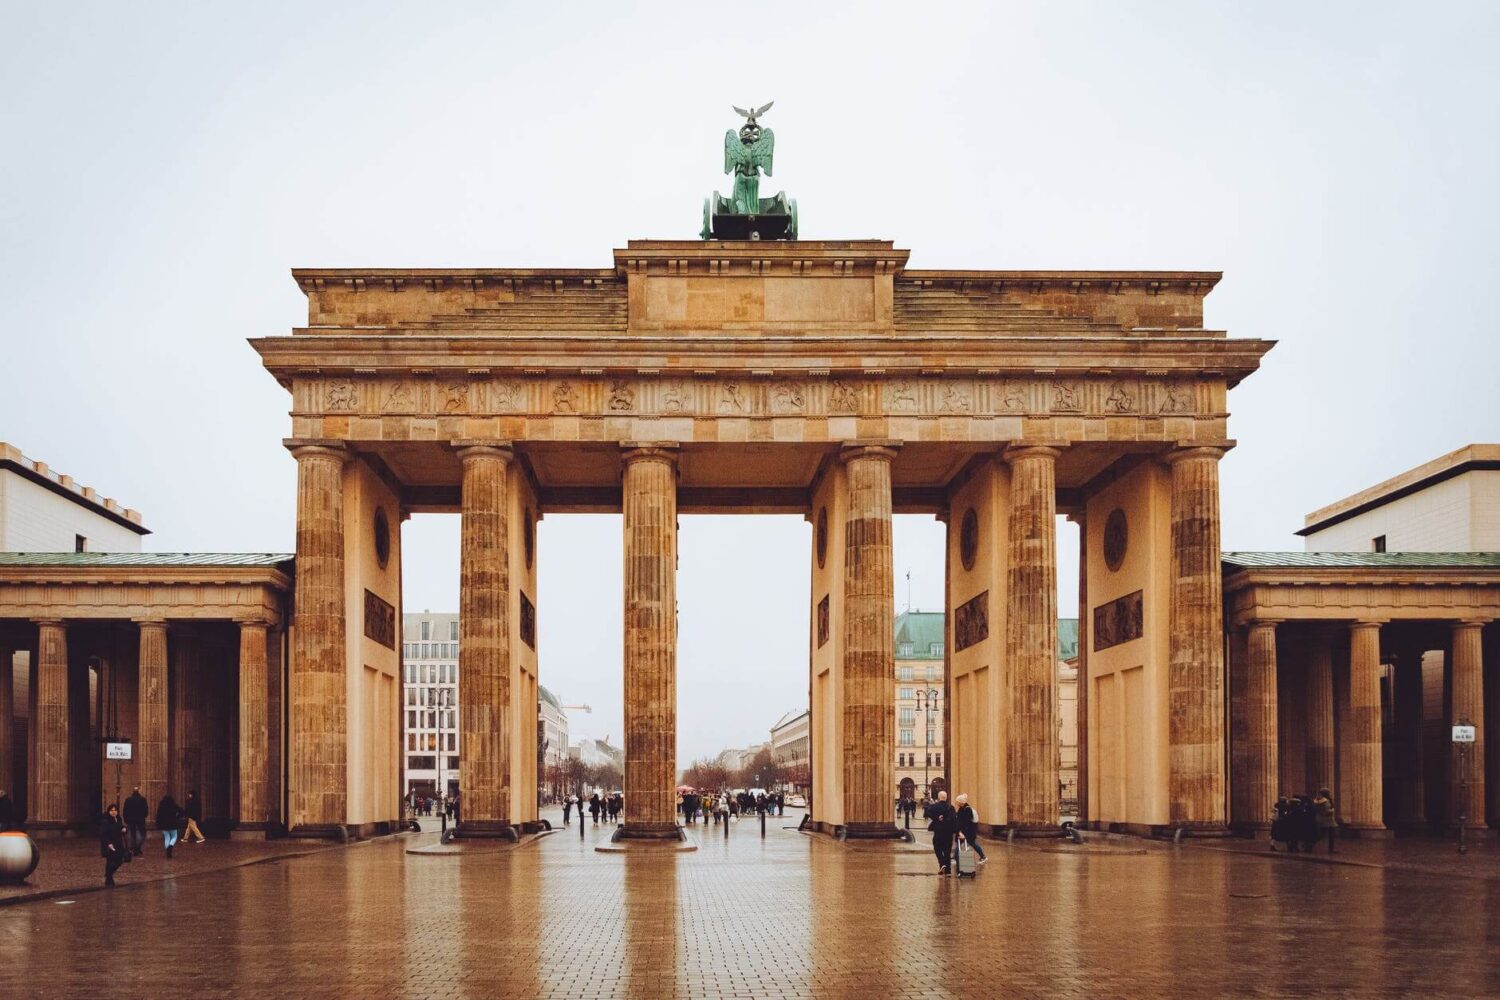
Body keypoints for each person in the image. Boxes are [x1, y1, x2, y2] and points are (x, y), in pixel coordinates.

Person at [924, 790, 956, 875]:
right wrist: (957, 831)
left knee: (937, 847)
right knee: (947, 851)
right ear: (946, 798)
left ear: (939, 797)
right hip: (948, 832)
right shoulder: (951, 807)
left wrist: (937, 817)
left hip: (938, 831)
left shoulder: (934, 806)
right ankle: (948, 871)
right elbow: (954, 820)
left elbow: (927, 812)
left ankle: (942, 863)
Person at [953, 793, 987, 864]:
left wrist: (961, 832)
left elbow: (966, 822)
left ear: (961, 802)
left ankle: (983, 857)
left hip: (968, 832)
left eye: (957, 801)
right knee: (961, 843)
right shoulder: (962, 808)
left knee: (971, 843)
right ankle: (955, 858)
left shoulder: (967, 809)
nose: (956, 802)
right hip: (965, 831)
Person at [100, 803, 127, 887]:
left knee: (119, 860)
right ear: (109, 811)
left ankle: (108, 875)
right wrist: (109, 844)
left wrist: (124, 829)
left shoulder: (118, 819)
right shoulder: (106, 821)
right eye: (111, 810)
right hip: (110, 844)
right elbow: (103, 834)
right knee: (110, 861)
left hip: (118, 843)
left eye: (115, 810)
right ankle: (109, 880)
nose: (113, 812)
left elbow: (121, 827)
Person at [123, 785, 149, 856]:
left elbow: (125, 810)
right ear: (138, 792)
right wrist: (144, 816)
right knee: (142, 834)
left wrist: (126, 819)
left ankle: (134, 848)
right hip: (140, 820)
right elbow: (145, 810)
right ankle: (137, 848)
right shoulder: (143, 799)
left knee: (132, 835)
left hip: (130, 820)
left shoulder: (128, 800)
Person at [1313, 787, 1338, 854]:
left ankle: (1310, 844)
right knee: (1331, 834)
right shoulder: (1326, 801)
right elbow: (1327, 811)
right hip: (1328, 820)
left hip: (1320, 819)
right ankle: (1331, 849)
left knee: (1321, 835)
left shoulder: (1316, 800)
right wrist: (1332, 810)